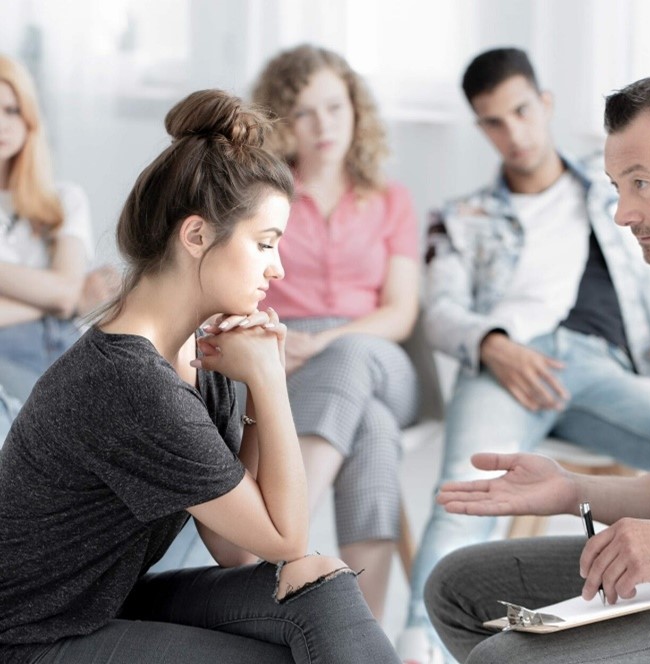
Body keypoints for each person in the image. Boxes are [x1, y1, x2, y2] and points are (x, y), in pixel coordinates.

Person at [0, 88, 400, 663]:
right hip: (32, 638)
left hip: (105, 605)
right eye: (264, 244)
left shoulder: (197, 354)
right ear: (196, 236)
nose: (278, 268)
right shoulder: (128, 383)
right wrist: (268, 379)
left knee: (321, 586)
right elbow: (285, 537)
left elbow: (237, 550)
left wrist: (256, 390)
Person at [425, 71, 650, 664]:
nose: (623, 213)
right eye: (617, 186)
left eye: (642, 184)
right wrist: (571, 491)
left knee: (507, 659)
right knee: (459, 587)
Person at [248, 44, 421, 620]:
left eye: (335, 107)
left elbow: (400, 312)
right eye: (303, 112)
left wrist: (324, 342)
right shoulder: (261, 199)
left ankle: (279, 527)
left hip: (375, 354)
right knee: (372, 429)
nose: (324, 126)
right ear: (281, 123)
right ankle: (369, 637)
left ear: (355, 111)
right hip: (286, 359)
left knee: (353, 360)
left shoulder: (391, 199)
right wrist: (278, 347)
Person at [0, 54, 95, 403]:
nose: (2, 124)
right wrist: (59, 298)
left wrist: (65, 299)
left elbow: (65, 292)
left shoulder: (64, 199)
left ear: (28, 118)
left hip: (69, 346)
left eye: (11, 110)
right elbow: (69, 295)